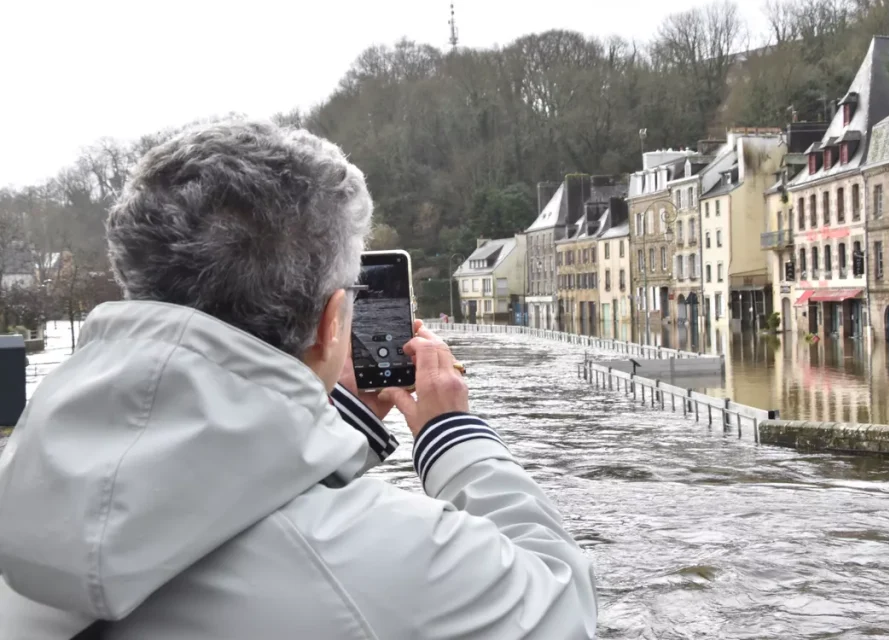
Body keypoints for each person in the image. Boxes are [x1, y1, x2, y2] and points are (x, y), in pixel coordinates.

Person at [0, 121, 597, 639]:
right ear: (333, 321)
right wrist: (456, 439)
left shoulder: (21, 486)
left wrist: (343, 423)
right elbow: (561, 608)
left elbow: (193, 490)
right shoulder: (398, 566)